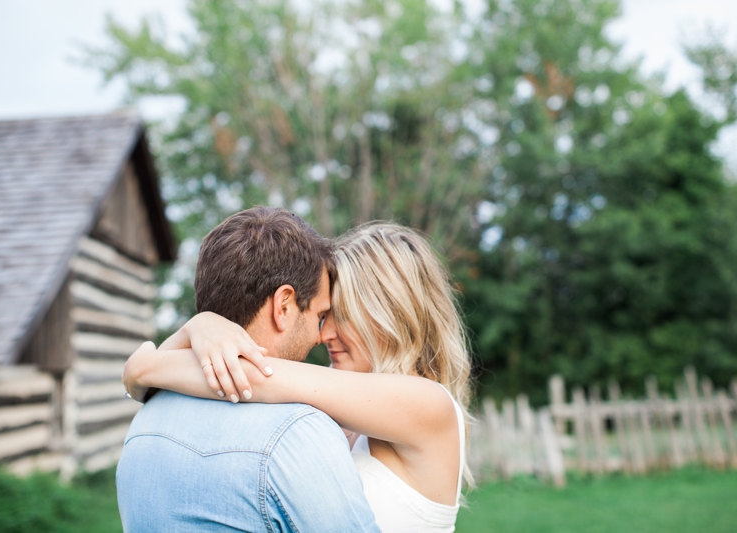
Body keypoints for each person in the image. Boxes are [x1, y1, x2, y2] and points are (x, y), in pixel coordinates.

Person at [123, 222, 474, 532]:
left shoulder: (429, 403)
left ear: (391, 314)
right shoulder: (343, 401)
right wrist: (200, 328)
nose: (326, 333)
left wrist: (144, 368)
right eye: (325, 315)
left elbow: (252, 376)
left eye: (343, 314)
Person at [116, 206, 380, 533]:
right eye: (319, 316)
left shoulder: (147, 419)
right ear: (283, 306)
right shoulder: (297, 433)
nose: (319, 337)